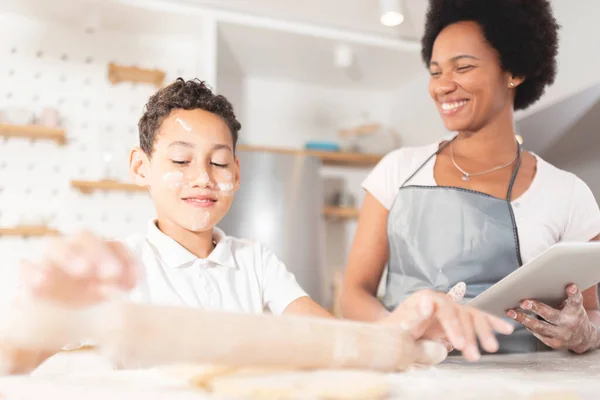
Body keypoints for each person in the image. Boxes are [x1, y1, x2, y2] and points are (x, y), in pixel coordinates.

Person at [0, 79, 513, 375]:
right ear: (141, 167)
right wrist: (43, 312)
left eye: (219, 162)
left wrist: (405, 323)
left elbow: (338, 340)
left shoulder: (255, 262)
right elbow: (15, 360)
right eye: (180, 160)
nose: (202, 178)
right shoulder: (113, 269)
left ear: (237, 174)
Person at [340, 0, 600, 354]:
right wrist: (399, 329)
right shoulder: (397, 170)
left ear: (514, 71)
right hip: (409, 380)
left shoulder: (567, 193)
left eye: (462, 67)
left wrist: (586, 334)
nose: (442, 86)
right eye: (435, 72)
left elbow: (592, 313)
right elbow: (353, 295)